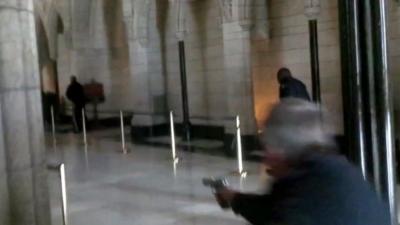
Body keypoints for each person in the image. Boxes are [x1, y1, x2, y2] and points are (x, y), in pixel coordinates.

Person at [213, 99, 390, 225]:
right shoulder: (335, 173)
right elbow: (271, 208)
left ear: (282, 149)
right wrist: (234, 198)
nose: (266, 158)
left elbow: (283, 212)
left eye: (268, 147)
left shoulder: (299, 206)